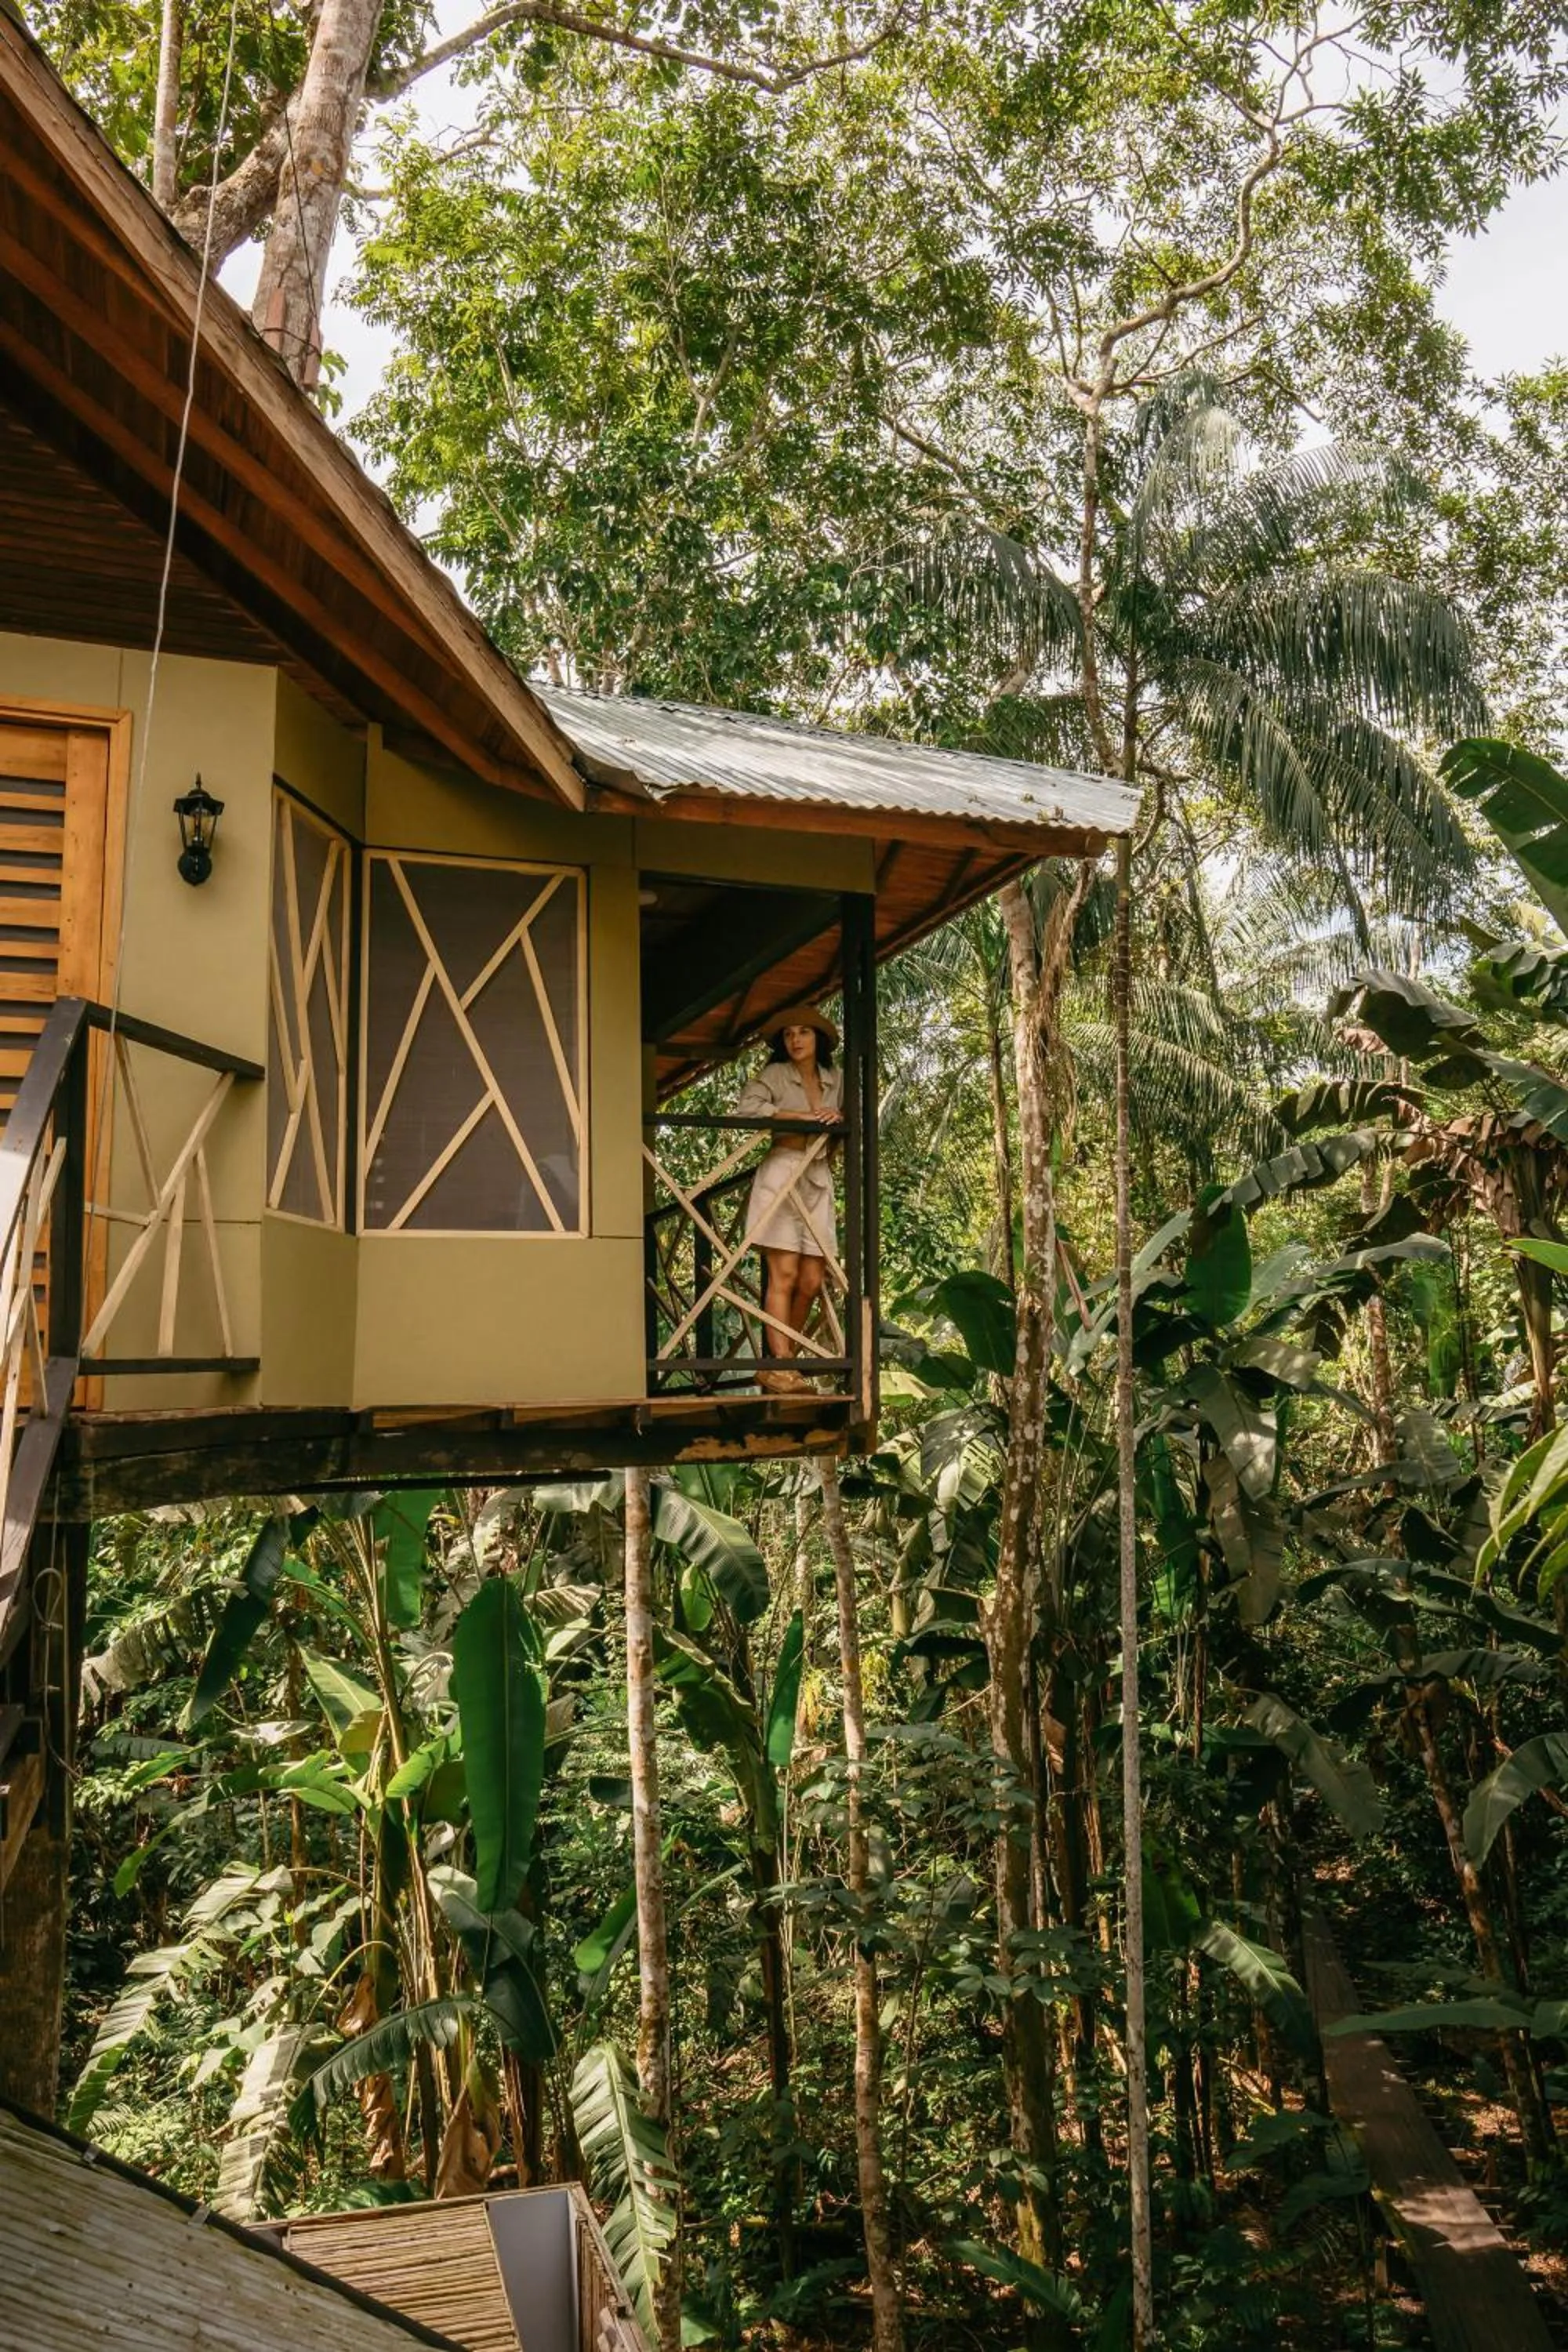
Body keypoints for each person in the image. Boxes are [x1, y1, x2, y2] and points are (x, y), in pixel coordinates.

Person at [735, 1004, 843, 1392]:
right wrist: (797, 1116)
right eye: (789, 1035)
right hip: (782, 1170)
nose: (796, 1040)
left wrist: (833, 1121)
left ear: (819, 1039)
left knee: (813, 1279)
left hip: (817, 1176)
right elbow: (747, 1109)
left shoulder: (835, 1078)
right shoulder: (775, 1074)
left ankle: (785, 1363)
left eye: (804, 1033)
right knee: (784, 1273)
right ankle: (780, 1365)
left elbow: (845, 1121)